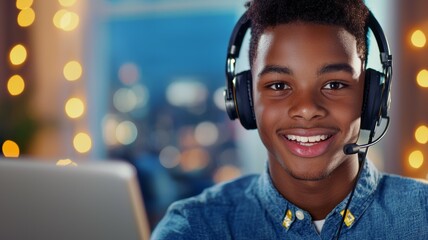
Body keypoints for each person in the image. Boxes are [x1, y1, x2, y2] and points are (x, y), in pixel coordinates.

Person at [151, 0, 428, 239]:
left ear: (373, 97)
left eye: (334, 84)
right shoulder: (194, 228)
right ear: (243, 100)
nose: (307, 109)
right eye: (279, 86)